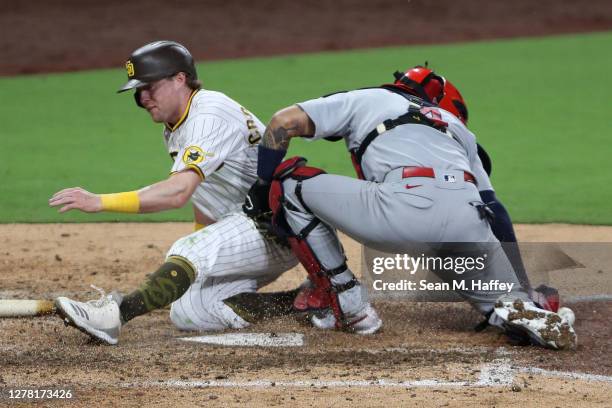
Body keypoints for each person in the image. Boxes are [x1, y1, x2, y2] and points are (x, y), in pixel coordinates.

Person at [242, 70, 577, 349]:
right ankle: (520, 307)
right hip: (467, 220)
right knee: (503, 302)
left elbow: (282, 122)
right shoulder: (458, 129)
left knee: (289, 184)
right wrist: (520, 284)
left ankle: (348, 302)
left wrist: (261, 184)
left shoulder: (373, 97)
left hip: (404, 209)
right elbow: (495, 210)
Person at [50, 40, 298, 345]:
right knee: (190, 311)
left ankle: (115, 315)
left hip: (280, 228)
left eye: (149, 88)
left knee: (187, 249)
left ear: (179, 79)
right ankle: (302, 303)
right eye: (138, 93)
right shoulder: (178, 124)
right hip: (251, 228)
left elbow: (177, 192)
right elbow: (206, 195)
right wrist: (203, 254)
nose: (142, 98)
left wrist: (99, 202)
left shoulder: (209, 116)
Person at [391, 65, 560, 313]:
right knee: (471, 213)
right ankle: (518, 297)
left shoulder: (381, 127)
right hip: (447, 231)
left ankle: (326, 290)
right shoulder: (452, 137)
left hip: (392, 226)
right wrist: (522, 284)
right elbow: (493, 208)